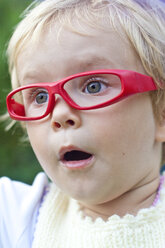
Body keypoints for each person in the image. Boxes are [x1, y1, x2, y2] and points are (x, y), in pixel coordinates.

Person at [1, 0, 165, 247]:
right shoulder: (16, 217)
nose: (59, 114)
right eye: (40, 96)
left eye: (93, 86)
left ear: (161, 114)